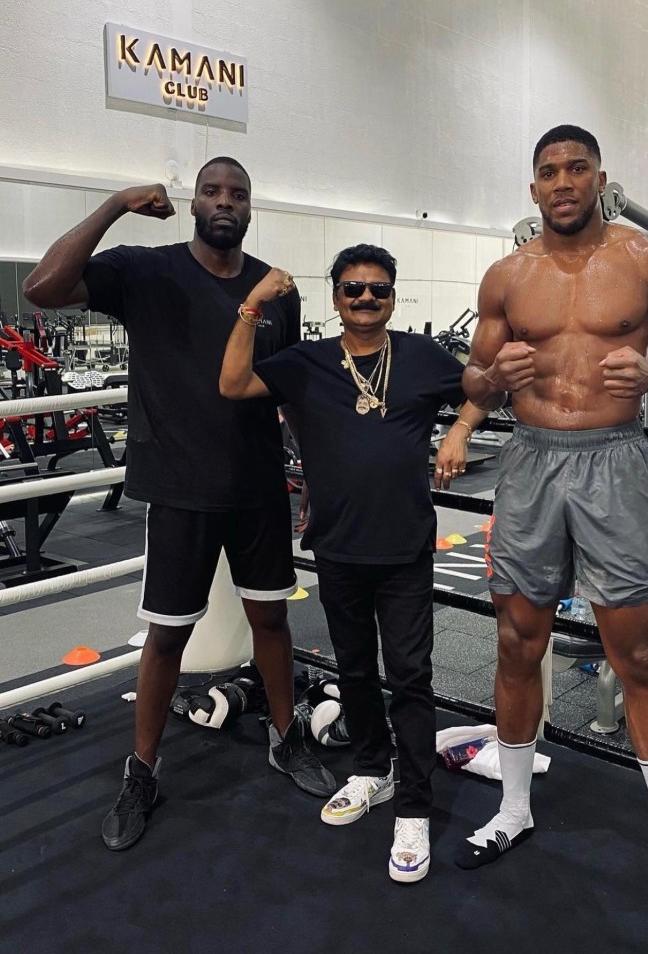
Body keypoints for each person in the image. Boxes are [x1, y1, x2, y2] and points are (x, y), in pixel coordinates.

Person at [458, 126, 648, 948]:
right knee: (516, 640)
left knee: (638, 658)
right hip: (530, 460)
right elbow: (472, 379)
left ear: (599, 178)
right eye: (548, 172)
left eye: (576, 167)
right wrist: (490, 380)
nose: (562, 181)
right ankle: (512, 810)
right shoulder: (506, 275)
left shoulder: (647, 260)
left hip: (613, 461)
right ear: (533, 188)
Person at [22, 156, 336, 852]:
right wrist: (114, 204)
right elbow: (41, 288)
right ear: (195, 203)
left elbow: (284, 391)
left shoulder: (274, 290)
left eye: (238, 194)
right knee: (167, 636)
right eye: (213, 192)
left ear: (251, 208)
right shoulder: (145, 270)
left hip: (257, 488)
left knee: (272, 624)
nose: (225, 203)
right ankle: (140, 771)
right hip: (179, 491)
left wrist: (310, 471)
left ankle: (286, 741)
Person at [220, 243, 487, 882]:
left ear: (393, 297)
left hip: (403, 548)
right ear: (335, 296)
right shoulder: (308, 362)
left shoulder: (420, 357)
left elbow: (487, 385)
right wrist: (252, 304)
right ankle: (373, 770)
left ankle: (416, 807)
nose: (365, 300)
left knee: (410, 676)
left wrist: (462, 427)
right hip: (338, 545)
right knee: (357, 672)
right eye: (353, 290)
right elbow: (232, 383)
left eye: (378, 290)